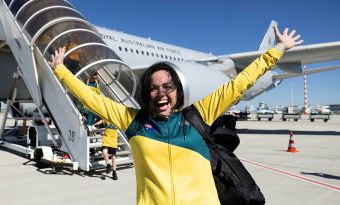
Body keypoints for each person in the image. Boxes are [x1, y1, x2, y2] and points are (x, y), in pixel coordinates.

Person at [48, 26, 302, 205]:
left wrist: (277, 49)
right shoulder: (132, 120)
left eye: (167, 87)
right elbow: (90, 97)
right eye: (153, 88)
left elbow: (238, 84)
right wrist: (60, 70)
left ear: (177, 92)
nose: (161, 93)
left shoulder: (199, 114)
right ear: (145, 93)